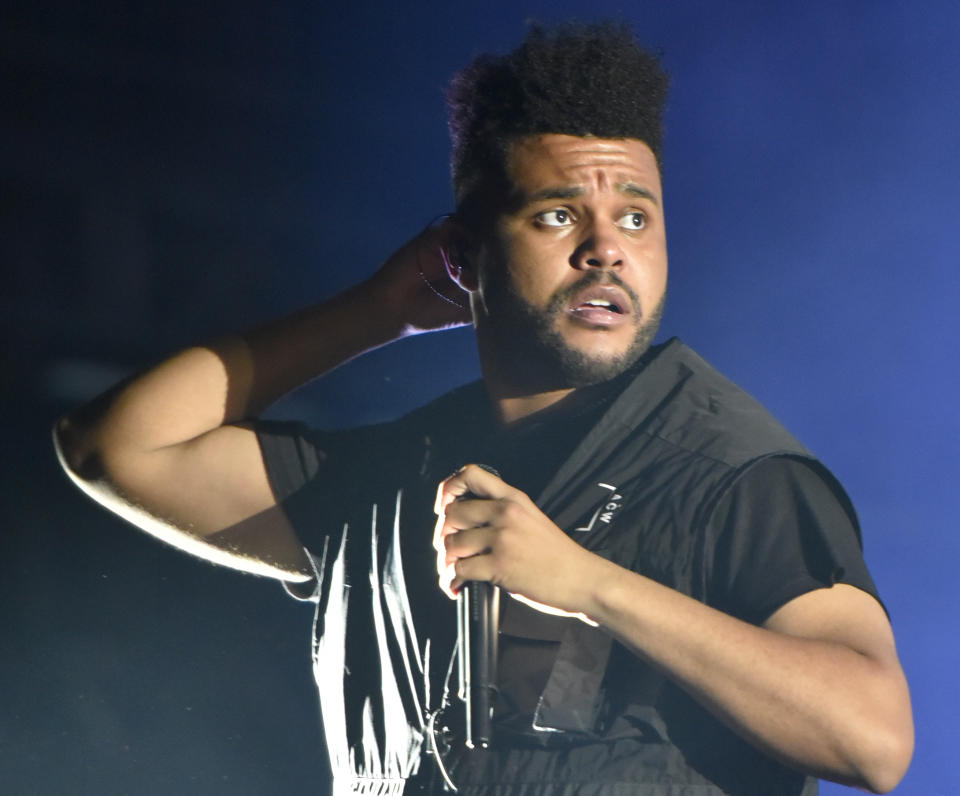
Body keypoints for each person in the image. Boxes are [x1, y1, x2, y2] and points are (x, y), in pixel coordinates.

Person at [54, 22, 913, 796]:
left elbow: (873, 738)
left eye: (637, 218)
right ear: (465, 254)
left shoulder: (730, 471)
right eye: (557, 214)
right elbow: (121, 447)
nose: (606, 249)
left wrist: (591, 585)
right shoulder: (394, 481)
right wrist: (380, 309)